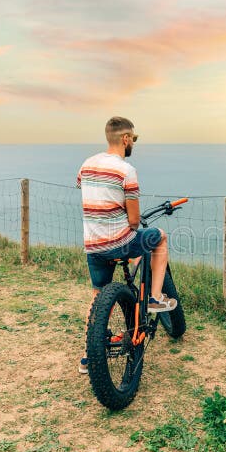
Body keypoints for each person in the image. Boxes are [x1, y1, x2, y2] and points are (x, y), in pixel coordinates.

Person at [75, 116, 176, 374]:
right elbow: (133, 220)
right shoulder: (126, 170)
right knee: (160, 237)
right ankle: (154, 298)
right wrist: (126, 224)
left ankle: (89, 355)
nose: (134, 144)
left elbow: (87, 189)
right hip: (118, 242)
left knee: (98, 295)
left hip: (93, 245)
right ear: (125, 139)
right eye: (133, 139)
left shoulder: (86, 164)